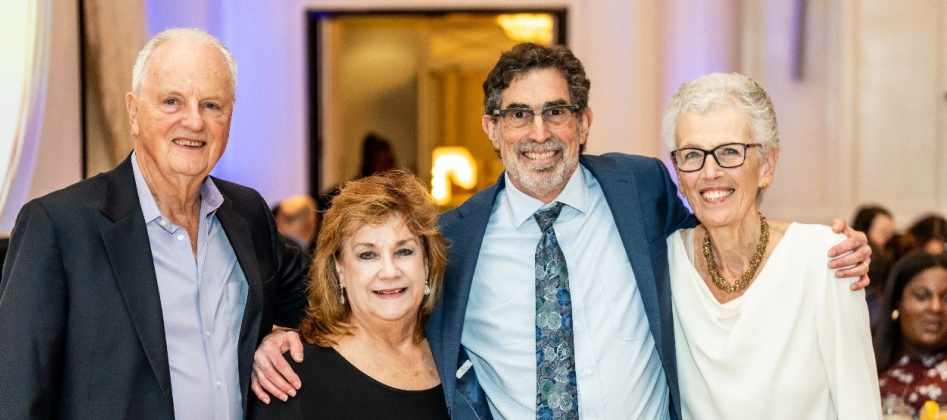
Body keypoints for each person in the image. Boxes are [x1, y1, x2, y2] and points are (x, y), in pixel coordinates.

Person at [251, 43, 871, 419]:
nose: (539, 133)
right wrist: (281, 334)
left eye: (556, 112)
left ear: (585, 121)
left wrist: (829, 248)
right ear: (492, 128)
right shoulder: (453, 240)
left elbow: (724, 225)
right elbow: (382, 309)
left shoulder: (643, 189)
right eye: (518, 115)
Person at [0, 28, 308, 419]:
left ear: (231, 114)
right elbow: (11, 401)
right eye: (172, 101)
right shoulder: (58, 228)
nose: (194, 122)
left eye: (211, 106)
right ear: (134, 113)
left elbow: (323, 300)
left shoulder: (248, 213)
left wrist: (283, 332)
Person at [662, 72, 880, 418]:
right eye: (692, 155)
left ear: (766, 165)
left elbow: (860, 407)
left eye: (730, 152)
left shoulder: (827, 260)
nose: (710, 172)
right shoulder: (666, 261)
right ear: (677, 172)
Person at [249, 170, 448, 420]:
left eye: (404, 251)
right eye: (368, 254)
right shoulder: (289, 377)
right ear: (340, 270)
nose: (389, 271)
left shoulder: (456, 362)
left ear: (427, 263)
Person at [874, 251, 947, 415]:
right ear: (897, 302)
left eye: (946, 298)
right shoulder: (867, 364)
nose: (936, 308)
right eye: (922, 296)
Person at [852, 205, 896, 326]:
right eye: (884, 232)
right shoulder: (871, 255)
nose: (888, 240)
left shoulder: (888, 253)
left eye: (890, 235)